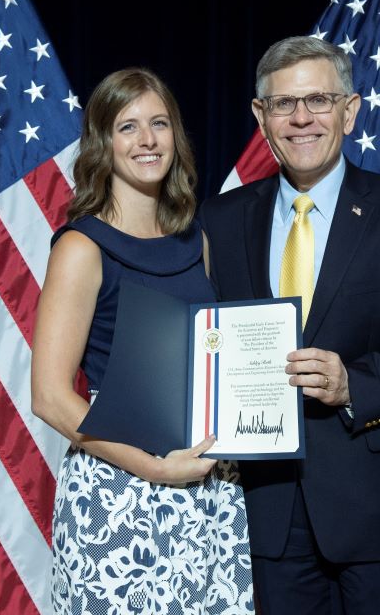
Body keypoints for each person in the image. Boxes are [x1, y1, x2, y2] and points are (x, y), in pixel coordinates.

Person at [199, 37, 380, 614]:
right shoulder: (220, 220)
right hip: (267, 516)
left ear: (349, 111)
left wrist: (355, 384)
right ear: (262, 117)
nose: (301, 119)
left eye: (319, 100)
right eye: (283, 105)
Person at [31, 68, 254, 614]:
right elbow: (51, 398)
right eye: (127, 126)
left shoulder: (195, 239)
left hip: (209, 486)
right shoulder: (81, 248)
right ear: (102, 144)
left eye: (159, 123)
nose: (147, 140)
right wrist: (154, 469)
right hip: (118, 489)